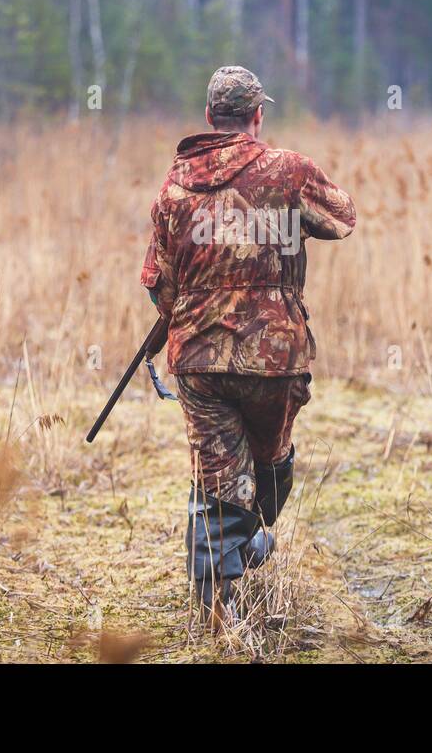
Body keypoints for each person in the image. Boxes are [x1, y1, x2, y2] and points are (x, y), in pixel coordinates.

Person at [140, 66, 356, 627]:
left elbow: (160, 286)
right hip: (275, 360)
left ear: (211, 119)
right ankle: (235, 574)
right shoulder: (288, 171)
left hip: (199, 361)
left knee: (217, 479)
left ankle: (223, 585)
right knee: (270, 466)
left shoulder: (172, 189)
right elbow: (343, 218)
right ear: (256, 117)